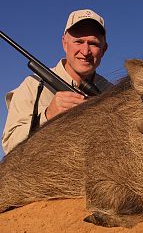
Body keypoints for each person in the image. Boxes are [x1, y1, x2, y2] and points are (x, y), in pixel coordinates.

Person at [2, 9, 113, 154]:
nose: (85, 51)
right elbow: (9, 146)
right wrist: (47, 116)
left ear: (104, 49)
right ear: (64, 43)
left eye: (93, 43)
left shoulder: (111, 93)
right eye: (78, 41)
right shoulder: (33, 85)